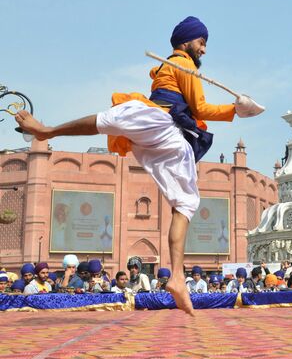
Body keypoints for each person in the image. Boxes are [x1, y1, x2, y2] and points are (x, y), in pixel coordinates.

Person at [15, 16, 261, 315]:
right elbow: (200, 109)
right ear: (187, 41)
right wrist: (236, 110)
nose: (204, 50)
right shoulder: (183, 64)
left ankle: (48, 130)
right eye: (202, 42)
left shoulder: (174, 65)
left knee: (114, 122)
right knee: (184, 203)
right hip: (161, 123)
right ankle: (179, 278)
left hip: (165, 134)